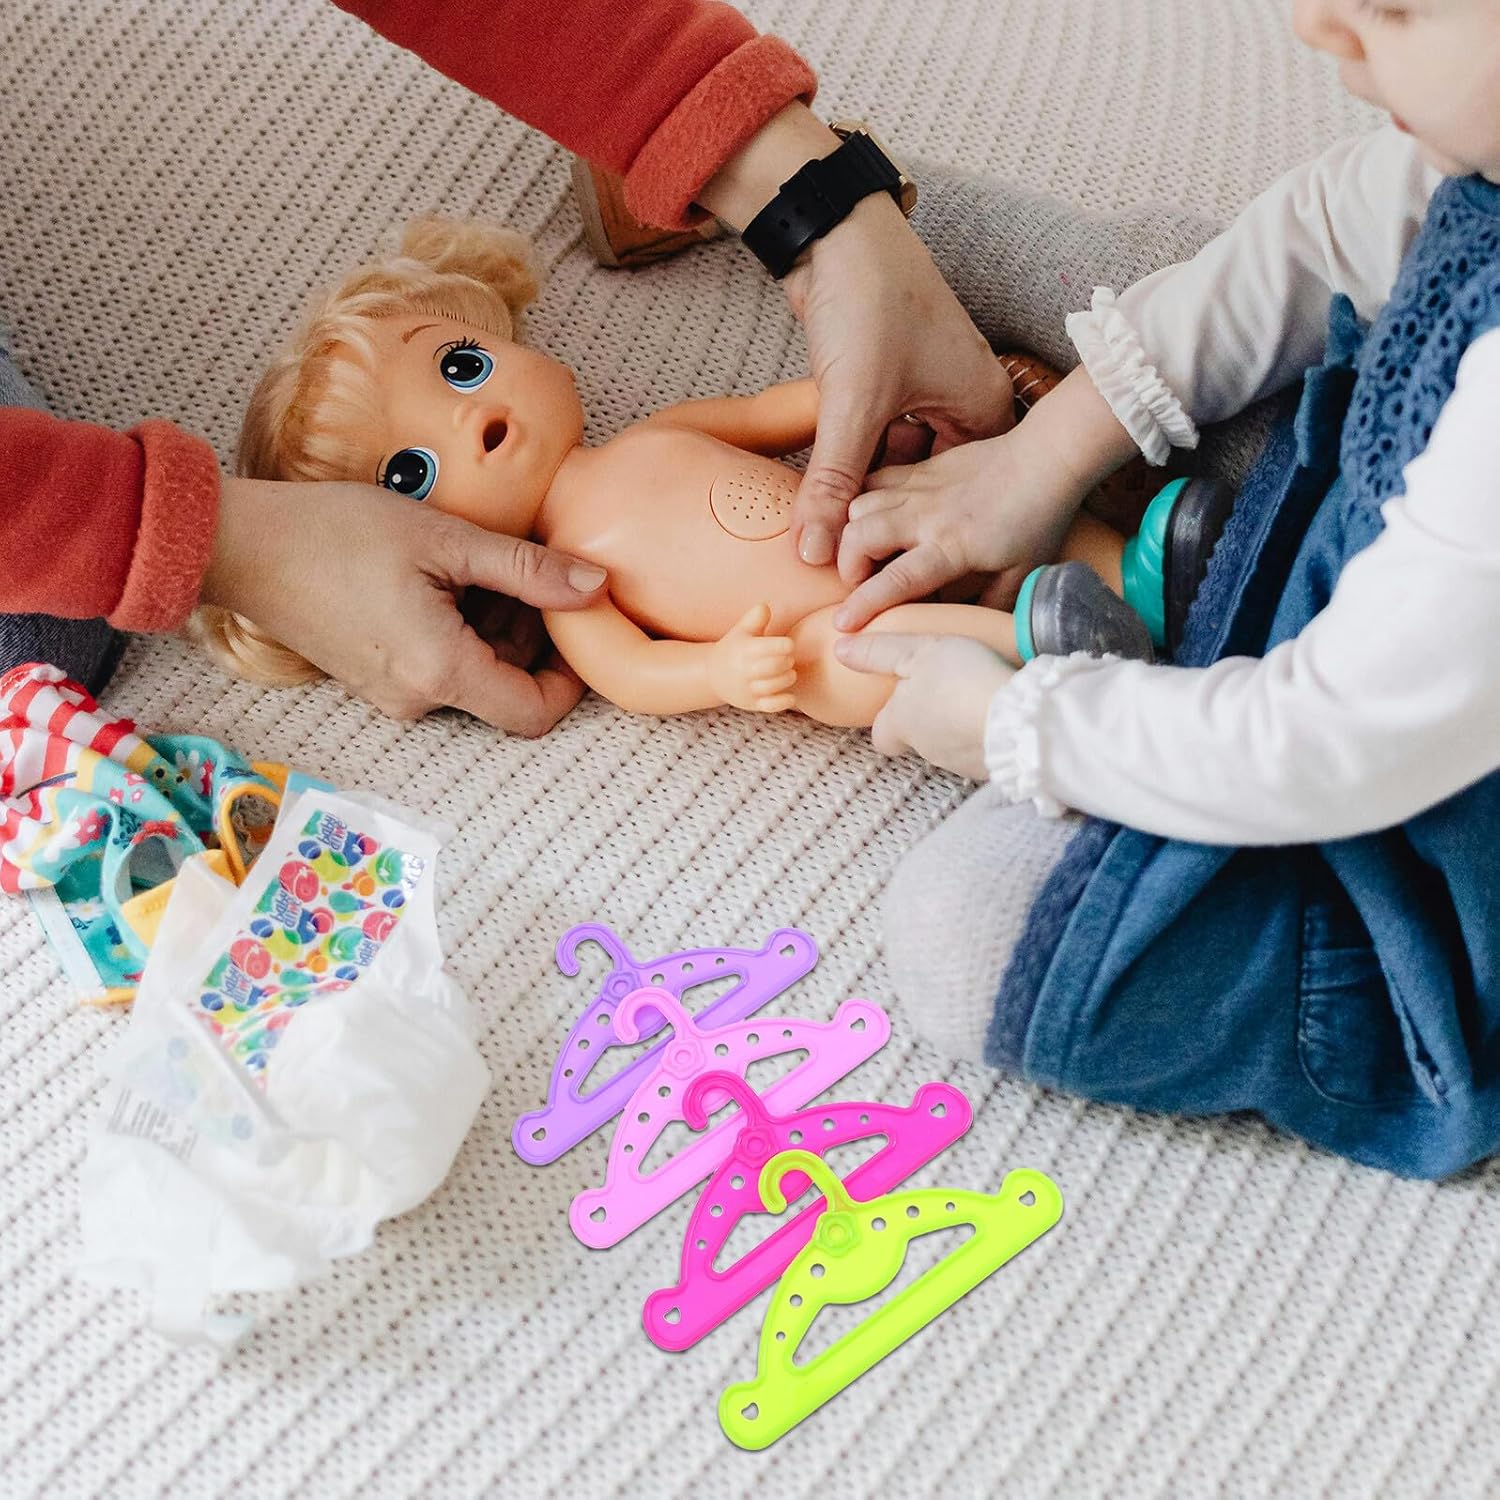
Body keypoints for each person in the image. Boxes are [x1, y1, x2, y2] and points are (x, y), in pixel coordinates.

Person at [831, 0, 1500, 1179]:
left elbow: (1326, 744)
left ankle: (1172, 683)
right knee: (1180, 282)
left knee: (969, 935)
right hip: (1384, 601)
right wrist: (1042, 457)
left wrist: (1016, 726)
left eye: (1393, 6)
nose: (1317, 26)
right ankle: (860, 233)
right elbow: (1315, 234)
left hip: (1414, 856)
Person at [0, 0, 1011, 731]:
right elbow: (633, 672)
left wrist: (842, 340)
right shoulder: (577, 590)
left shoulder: (656, 436)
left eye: (460, 368)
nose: (471, 420)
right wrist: (719, 673)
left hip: (868, 521)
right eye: (411, 473)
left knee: (968, 501)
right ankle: (1043, 655)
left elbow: (770, 412)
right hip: (818, 634)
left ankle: (1094, 568)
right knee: (856, 666)